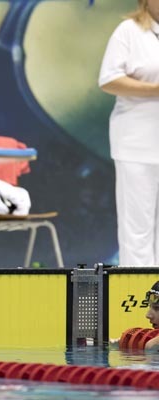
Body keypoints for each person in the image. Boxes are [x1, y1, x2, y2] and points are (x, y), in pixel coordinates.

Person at [98, 0, 159, 266]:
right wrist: (155, 90)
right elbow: (109, 80)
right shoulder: (129, 31)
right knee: (137, 227)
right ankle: (138, 287)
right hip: (136, 143)